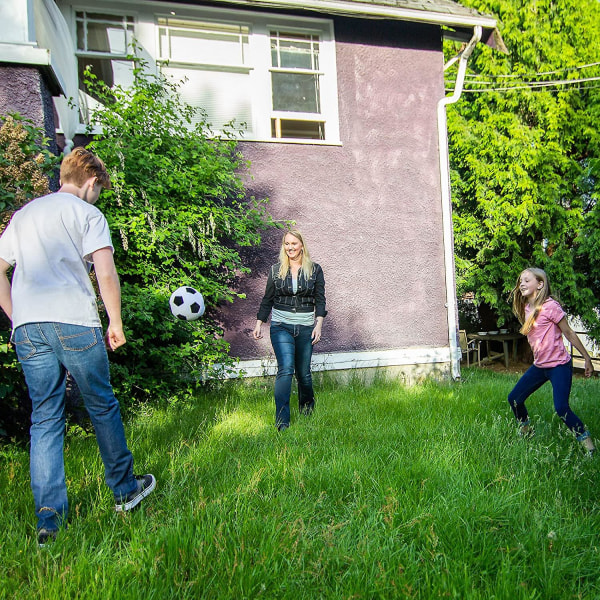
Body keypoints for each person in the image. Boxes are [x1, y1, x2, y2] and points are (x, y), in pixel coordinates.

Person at [0, 147, 156, 546]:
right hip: (73, 321)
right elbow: (105, 271)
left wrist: (17, 317)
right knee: (101, 404)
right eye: (99, 190)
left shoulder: (25, 215)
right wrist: (116, 322)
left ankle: (49, 520)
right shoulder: (88, 214)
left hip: (30, 327)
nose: (98, 196)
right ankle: (125, 491)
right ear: (91, 183)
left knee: (45, 417)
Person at [508, 267, 596, 456]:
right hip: (540, 367)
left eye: (527, 280)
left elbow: (569, 333)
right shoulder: (526, 308)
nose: (521, 283)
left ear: (540, 284)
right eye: (520, 281)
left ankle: (588, 445)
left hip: (559, 366)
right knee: (514, 399)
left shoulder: (551, 306)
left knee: (561, 407)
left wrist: (587, 358)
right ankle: (526, 432)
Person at [253, 230, 326, 431]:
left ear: (302, 245)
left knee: (303, 373)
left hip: (305, 327)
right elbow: (267, 299)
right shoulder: (276, 270)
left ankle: (307, 410)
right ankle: (282, 422)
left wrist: (318, 324)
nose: (290, 247)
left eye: (294, 243)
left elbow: (320, 299)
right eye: (286, 244)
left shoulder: (315, 270)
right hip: (281, 326)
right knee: (285, 369)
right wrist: (260, 322)